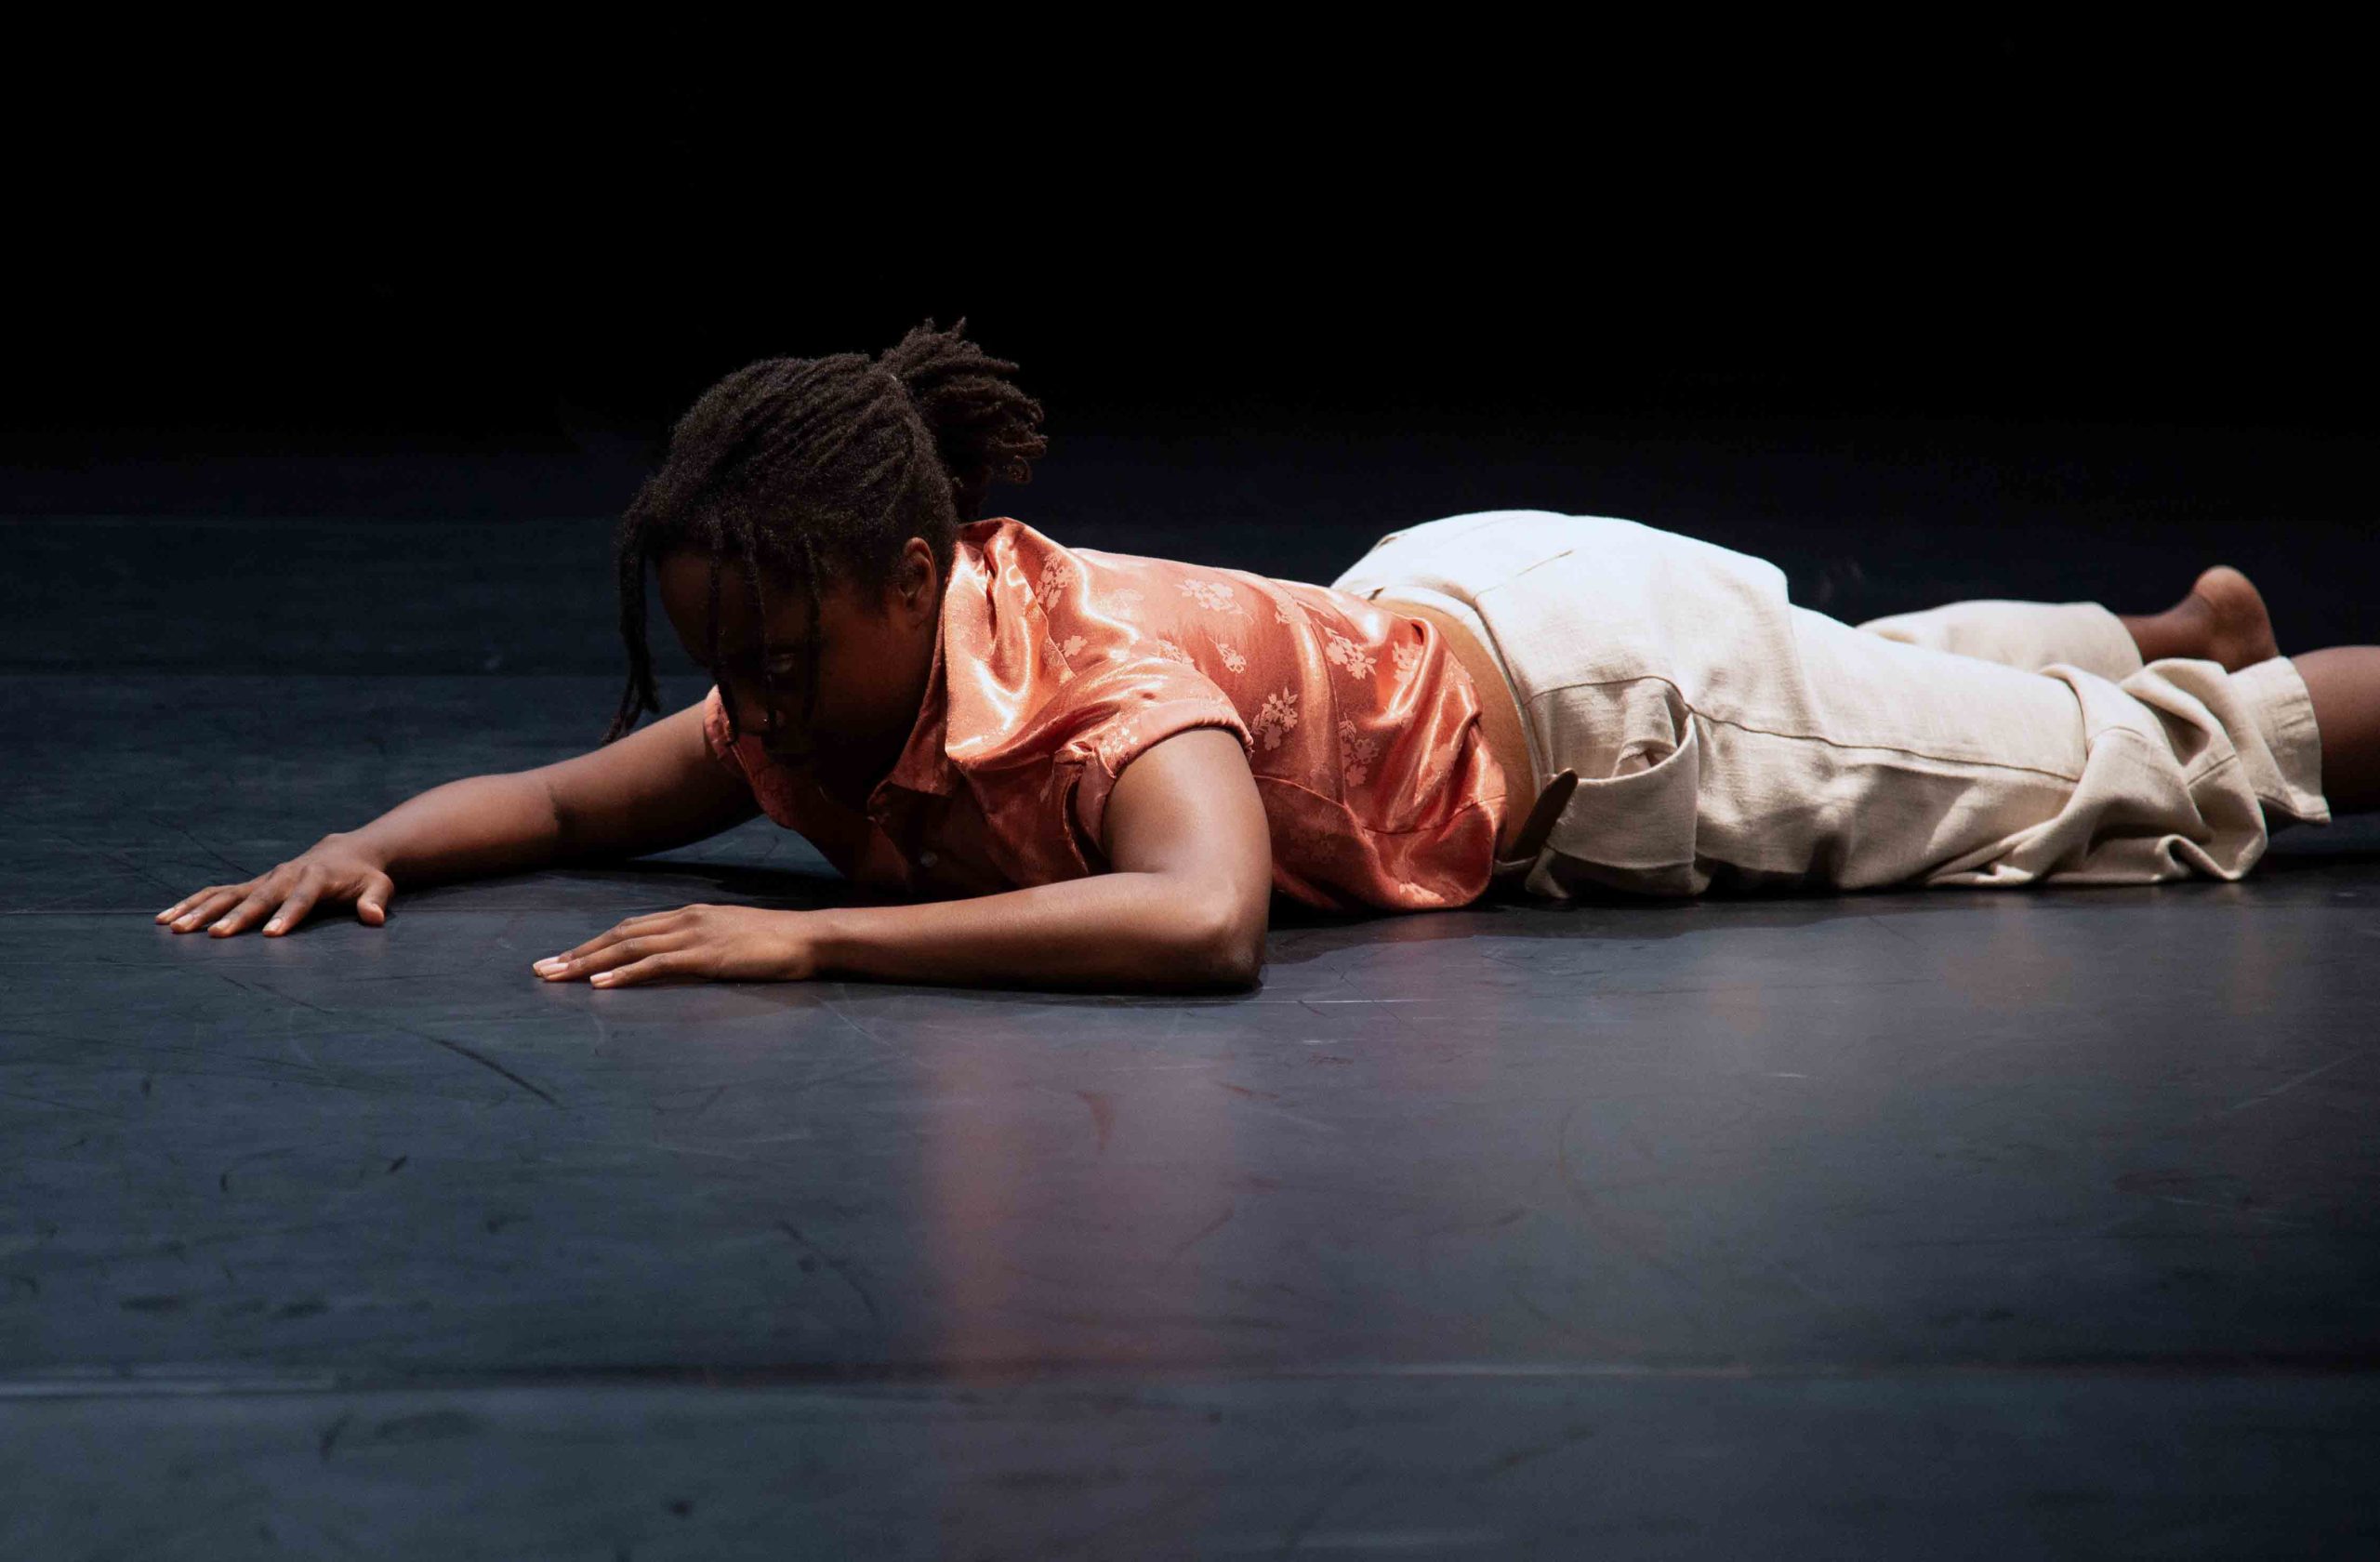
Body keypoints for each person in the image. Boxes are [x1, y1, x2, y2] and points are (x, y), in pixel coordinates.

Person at [153, 319, 2377, 995]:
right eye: (717, 668)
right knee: (1887, 689)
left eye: (770, 657)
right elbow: (557, 798)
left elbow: (1202, 912)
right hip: (1438, 605)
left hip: (1613, 715)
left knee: (2164, 767)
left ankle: (2184, 671)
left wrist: (808, 948)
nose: (742, 711)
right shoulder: (808, 689)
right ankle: (2148, 612)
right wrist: (366, 841)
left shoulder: (1095, 685)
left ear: (911, 567)